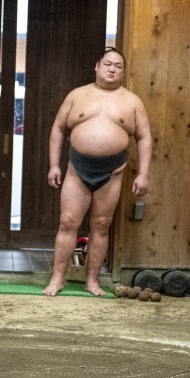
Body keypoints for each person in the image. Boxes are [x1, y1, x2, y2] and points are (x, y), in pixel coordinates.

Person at [43, 47, 152, 297]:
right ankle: (57, 279)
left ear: (123, 71)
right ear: (97, 66)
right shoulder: (77, 95)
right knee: (68, 221)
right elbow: (58, 129)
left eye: (118, 66)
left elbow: (144, 137)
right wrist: (53, 165)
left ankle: (92, 281)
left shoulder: (132, 101)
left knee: (102, 225)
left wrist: (143, 173)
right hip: (77, 169)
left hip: (112, 173)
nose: (112, 69)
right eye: (108, 64)